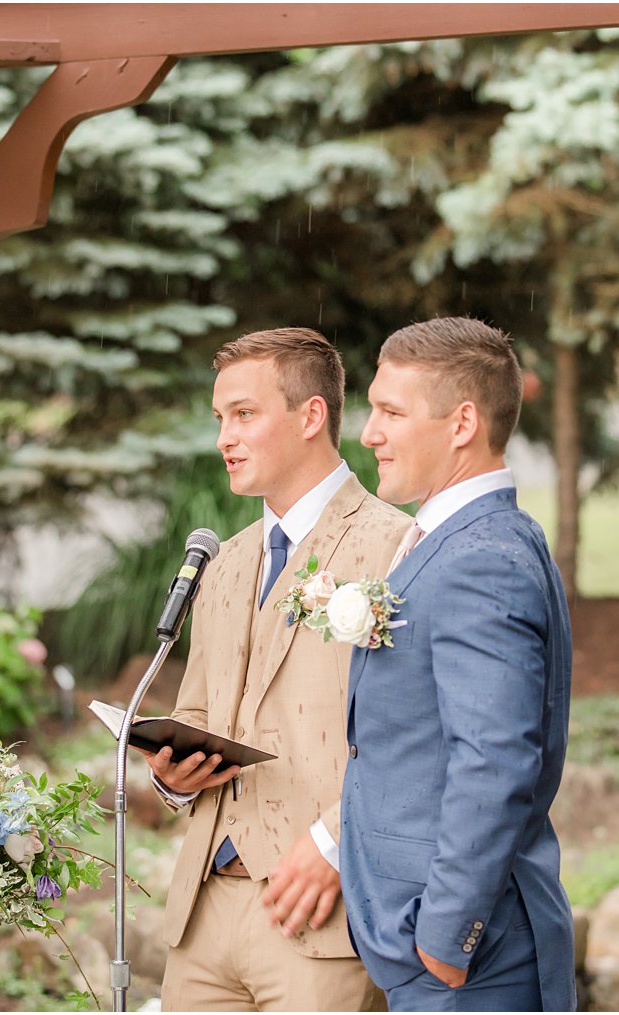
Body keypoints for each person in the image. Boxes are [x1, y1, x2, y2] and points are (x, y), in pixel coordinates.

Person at [145, 328, 410, 1011]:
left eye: (244, 414)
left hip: (318, 913)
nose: (223, 438)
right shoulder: (223, 560)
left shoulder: (397, 544)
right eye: (219, 419)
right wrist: (173, 776)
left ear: (311, 415)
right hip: (201, 914)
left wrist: (336, 844)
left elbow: (416, 737)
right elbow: (199, 712)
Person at [339, 318, 576, 1012]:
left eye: (390, 411)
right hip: (428, 951)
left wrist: (445, 936)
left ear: (462, 422)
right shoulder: (466, 539)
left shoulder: (481, 560)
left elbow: (496, 761)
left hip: (471, 961)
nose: (369, 433)